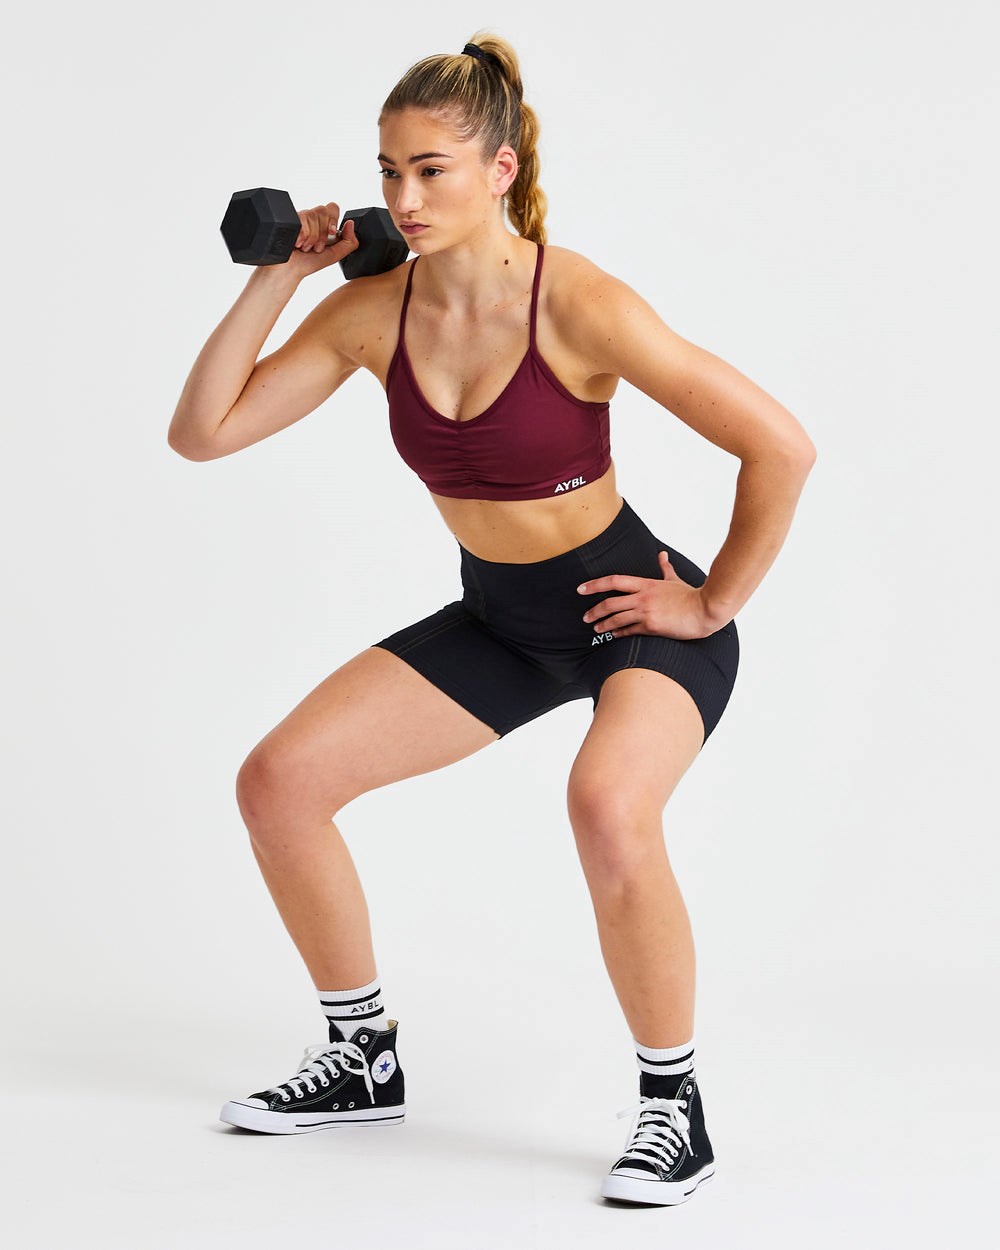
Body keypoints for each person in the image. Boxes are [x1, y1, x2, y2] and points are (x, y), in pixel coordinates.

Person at [168, 31, 816, 1207]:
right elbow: (202, 432)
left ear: (500, 169)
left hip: (631, 612)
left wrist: (710, 597)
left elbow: (780, 444)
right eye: (389, 171)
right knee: (279, 781)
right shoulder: (372, 313)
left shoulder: (577, 301)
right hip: (503, 620)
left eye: (432, 170)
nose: (405, 198)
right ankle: (361, 1055)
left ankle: (673, 1107)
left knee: (606, 804)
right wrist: (281, 277)